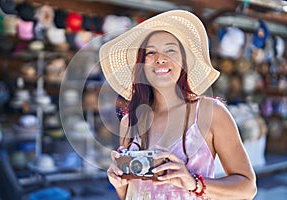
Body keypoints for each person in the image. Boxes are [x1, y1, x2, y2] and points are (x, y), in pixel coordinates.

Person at [99, 10, 257, 200]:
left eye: (170, 50)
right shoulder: (129, 121)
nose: (160, 58)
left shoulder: (210, 113)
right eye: (150, 52)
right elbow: (131, 194)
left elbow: (247, 188)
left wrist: (193, 183)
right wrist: (119, 183)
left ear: (184, 62)